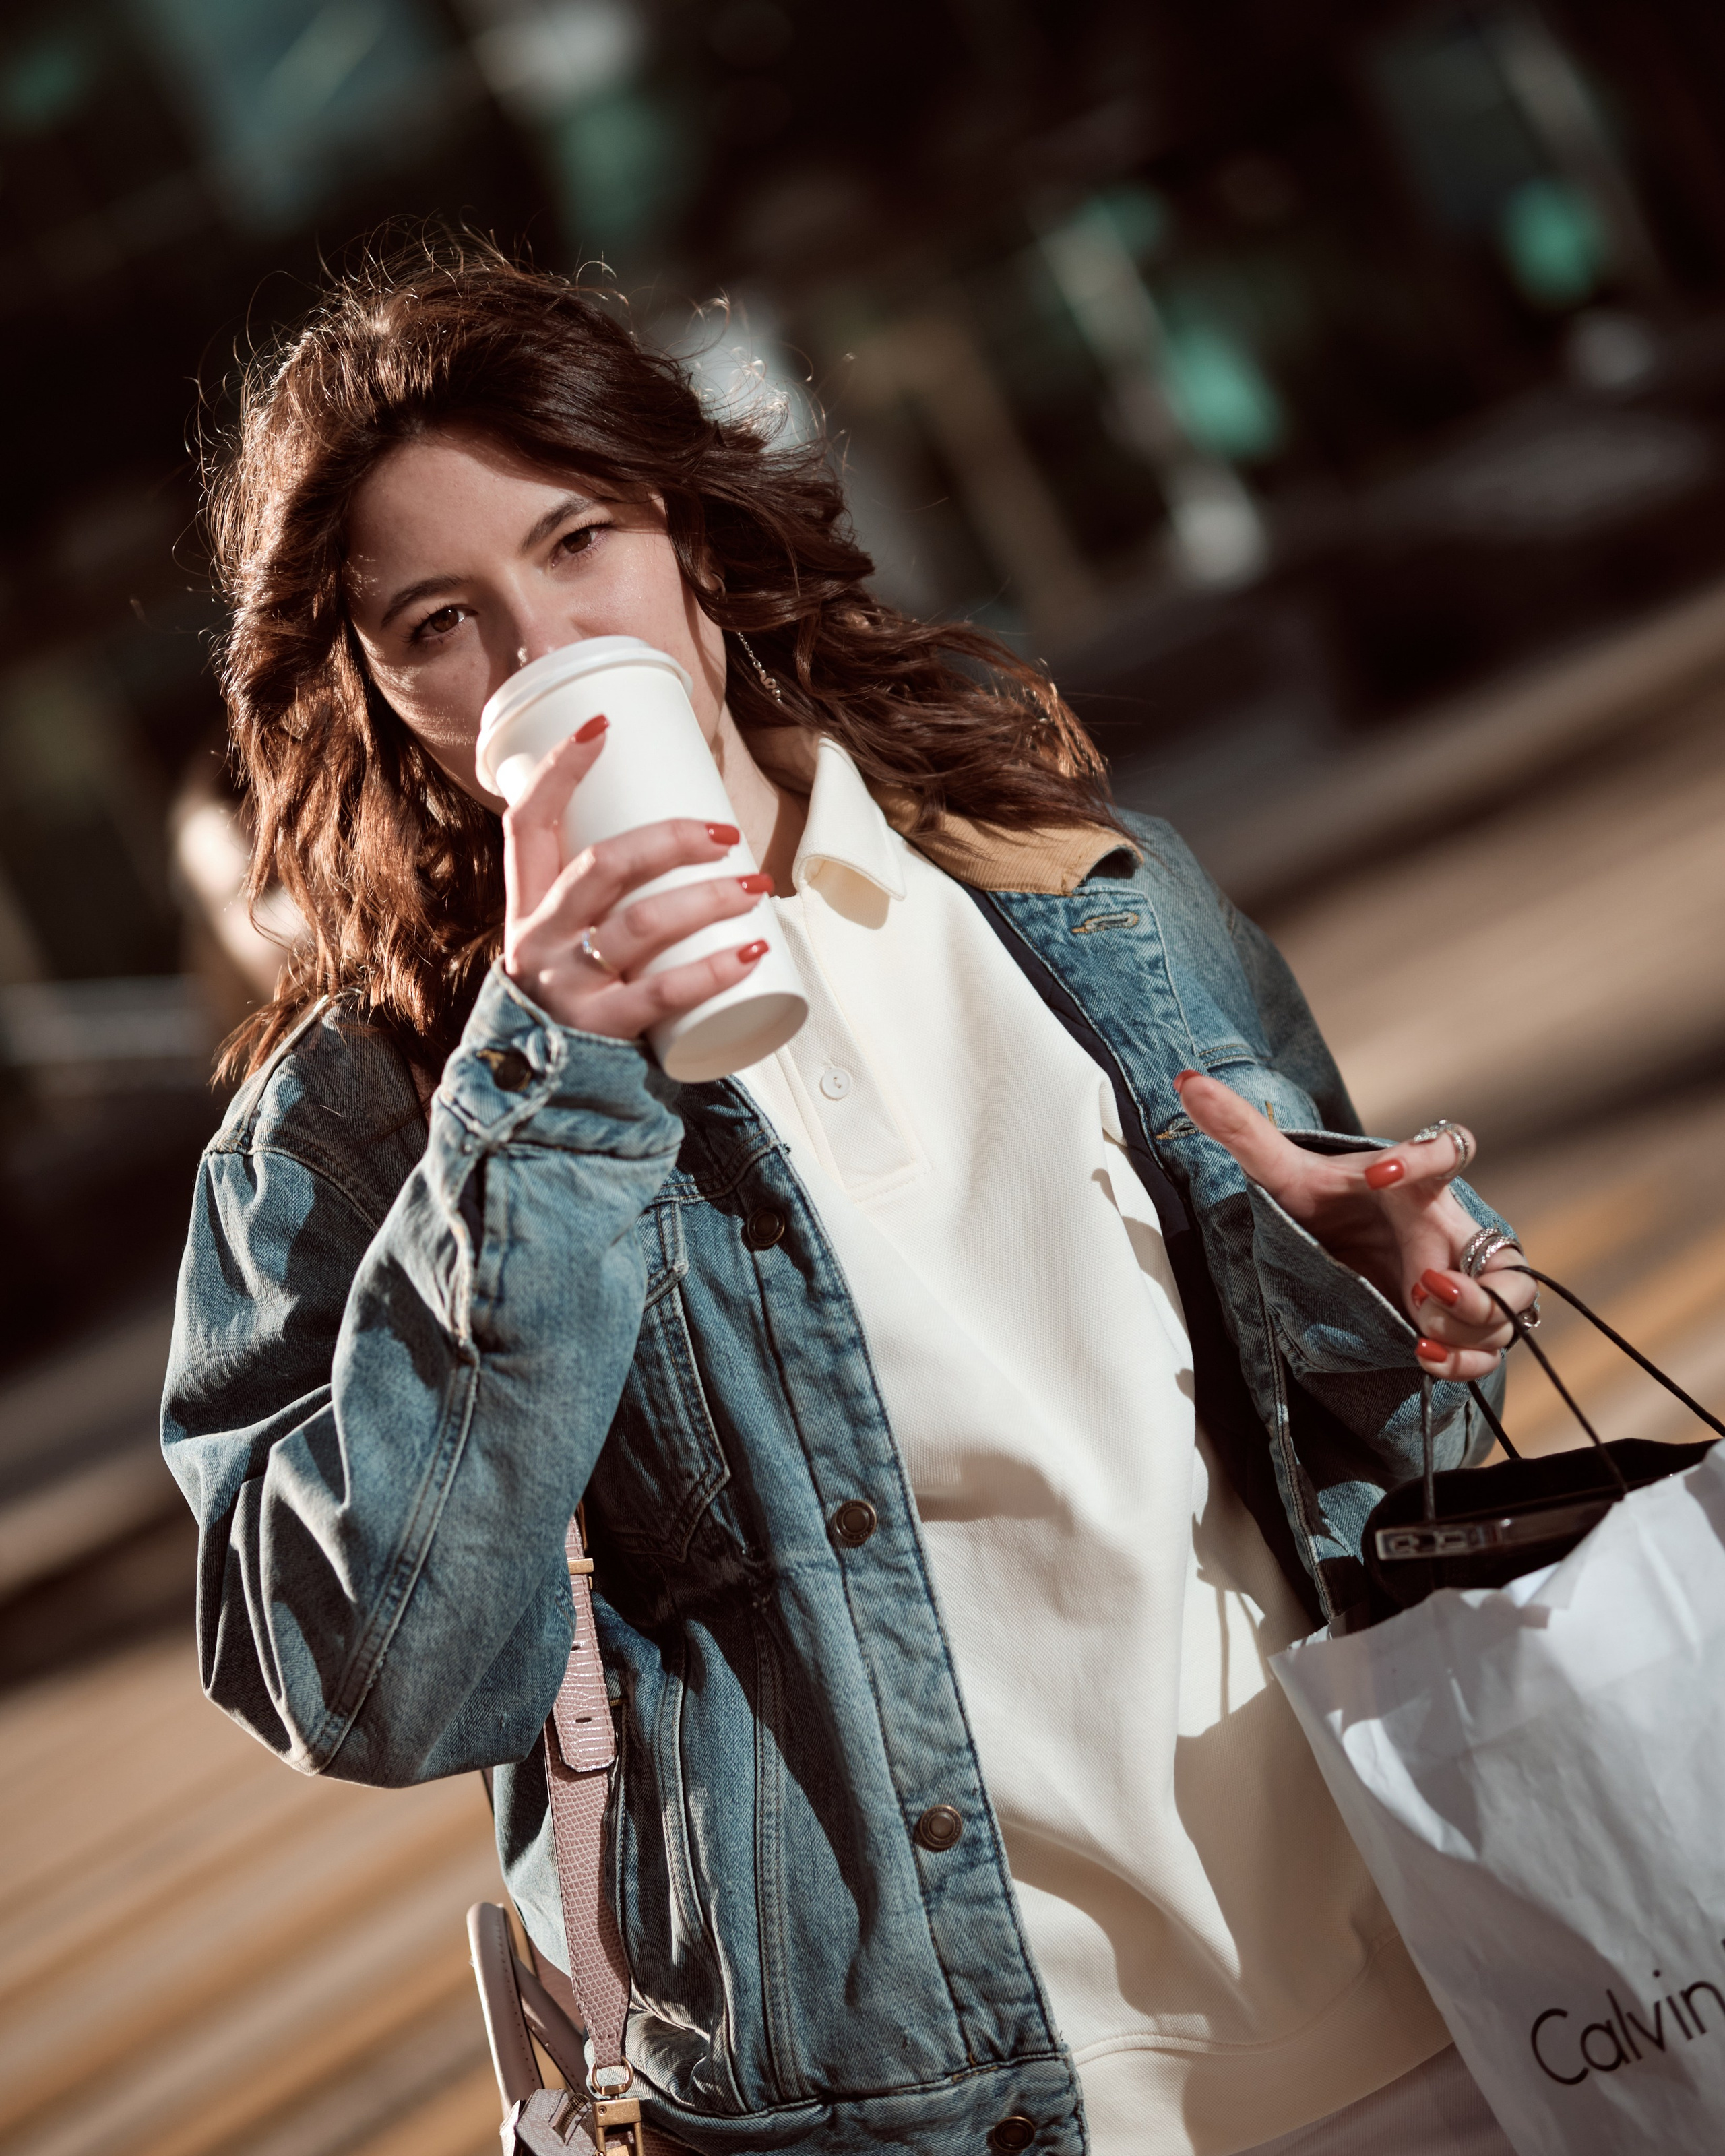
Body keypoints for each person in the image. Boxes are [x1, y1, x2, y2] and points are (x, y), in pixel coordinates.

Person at [164, 246, 1535, 2156]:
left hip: (1434, 1988)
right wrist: (550, 1069)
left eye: (579, 542)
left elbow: (1383, 1446)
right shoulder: (361, 1125)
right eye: (441, 620)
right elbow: (374, 1678)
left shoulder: (1073, 889)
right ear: (375, 685)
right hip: (944, 2103)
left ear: (688, 529)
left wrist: (1383, 1293)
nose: (544, 647)